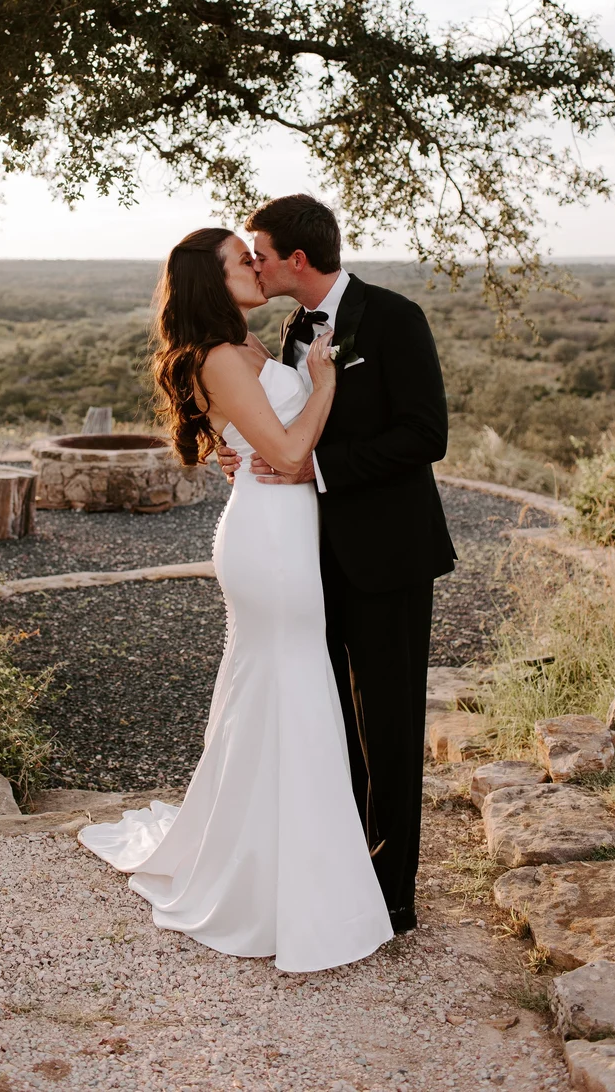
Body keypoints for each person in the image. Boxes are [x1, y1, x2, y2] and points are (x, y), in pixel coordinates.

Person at [79, 227, 392, 972]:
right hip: (268, 542)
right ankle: (275, 884)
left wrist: (255, 433)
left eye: (255, 256)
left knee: (281, 689)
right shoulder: (220, 357)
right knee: (286, 683)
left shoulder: (255, 347)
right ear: (208, 283)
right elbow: (286, 453)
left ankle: (278, 860)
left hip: (285, 530)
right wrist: (322, 386)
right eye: (239, 260)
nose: (255, 265)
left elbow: (262, 441)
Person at [216, 195, 456, 934]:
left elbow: (426, 434)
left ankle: (394, 891)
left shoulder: (393, 317)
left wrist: (318, 468)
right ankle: (341, 869)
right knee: (328, 720)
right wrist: (251, 450)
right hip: (307, 558)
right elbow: (287, 421)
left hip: (388, 555)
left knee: (388, 723)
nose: (253, 263)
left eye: (259, 251)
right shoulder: (291, 330)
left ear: (296, 258)